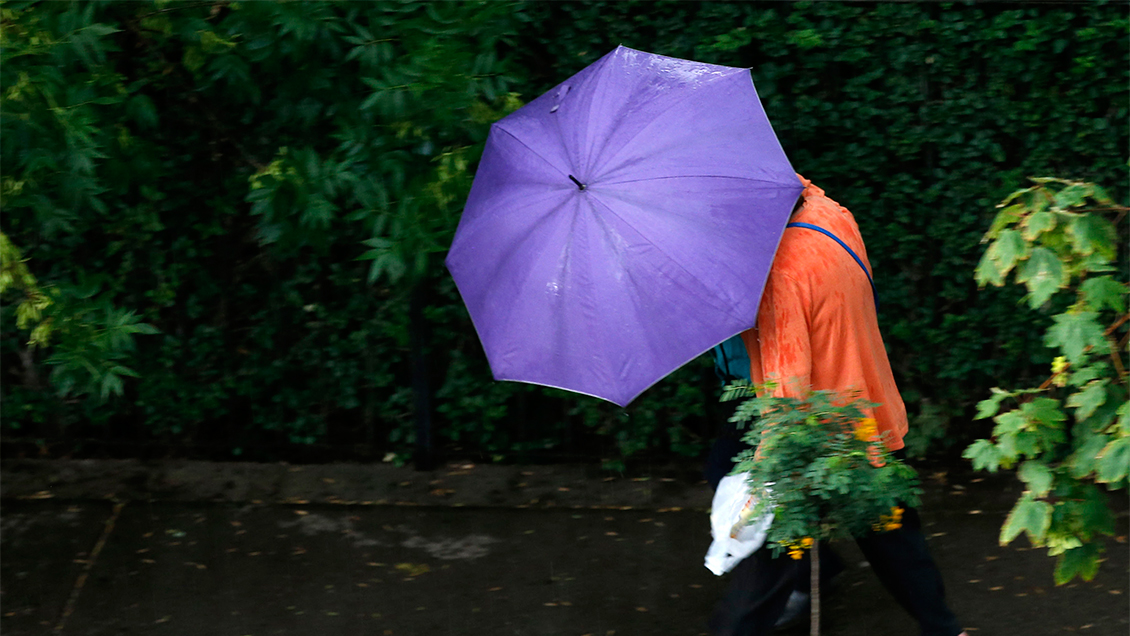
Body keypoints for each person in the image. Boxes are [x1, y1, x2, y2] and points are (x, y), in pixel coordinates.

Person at [705, 175, 968, 636]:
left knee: (762, 578)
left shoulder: (779, 273)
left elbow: (789, 390)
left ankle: (810, 576)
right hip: (868, 410)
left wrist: (763, 483)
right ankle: (943, 628)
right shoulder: (827, 212)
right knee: (894, 537)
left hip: (816, 436)